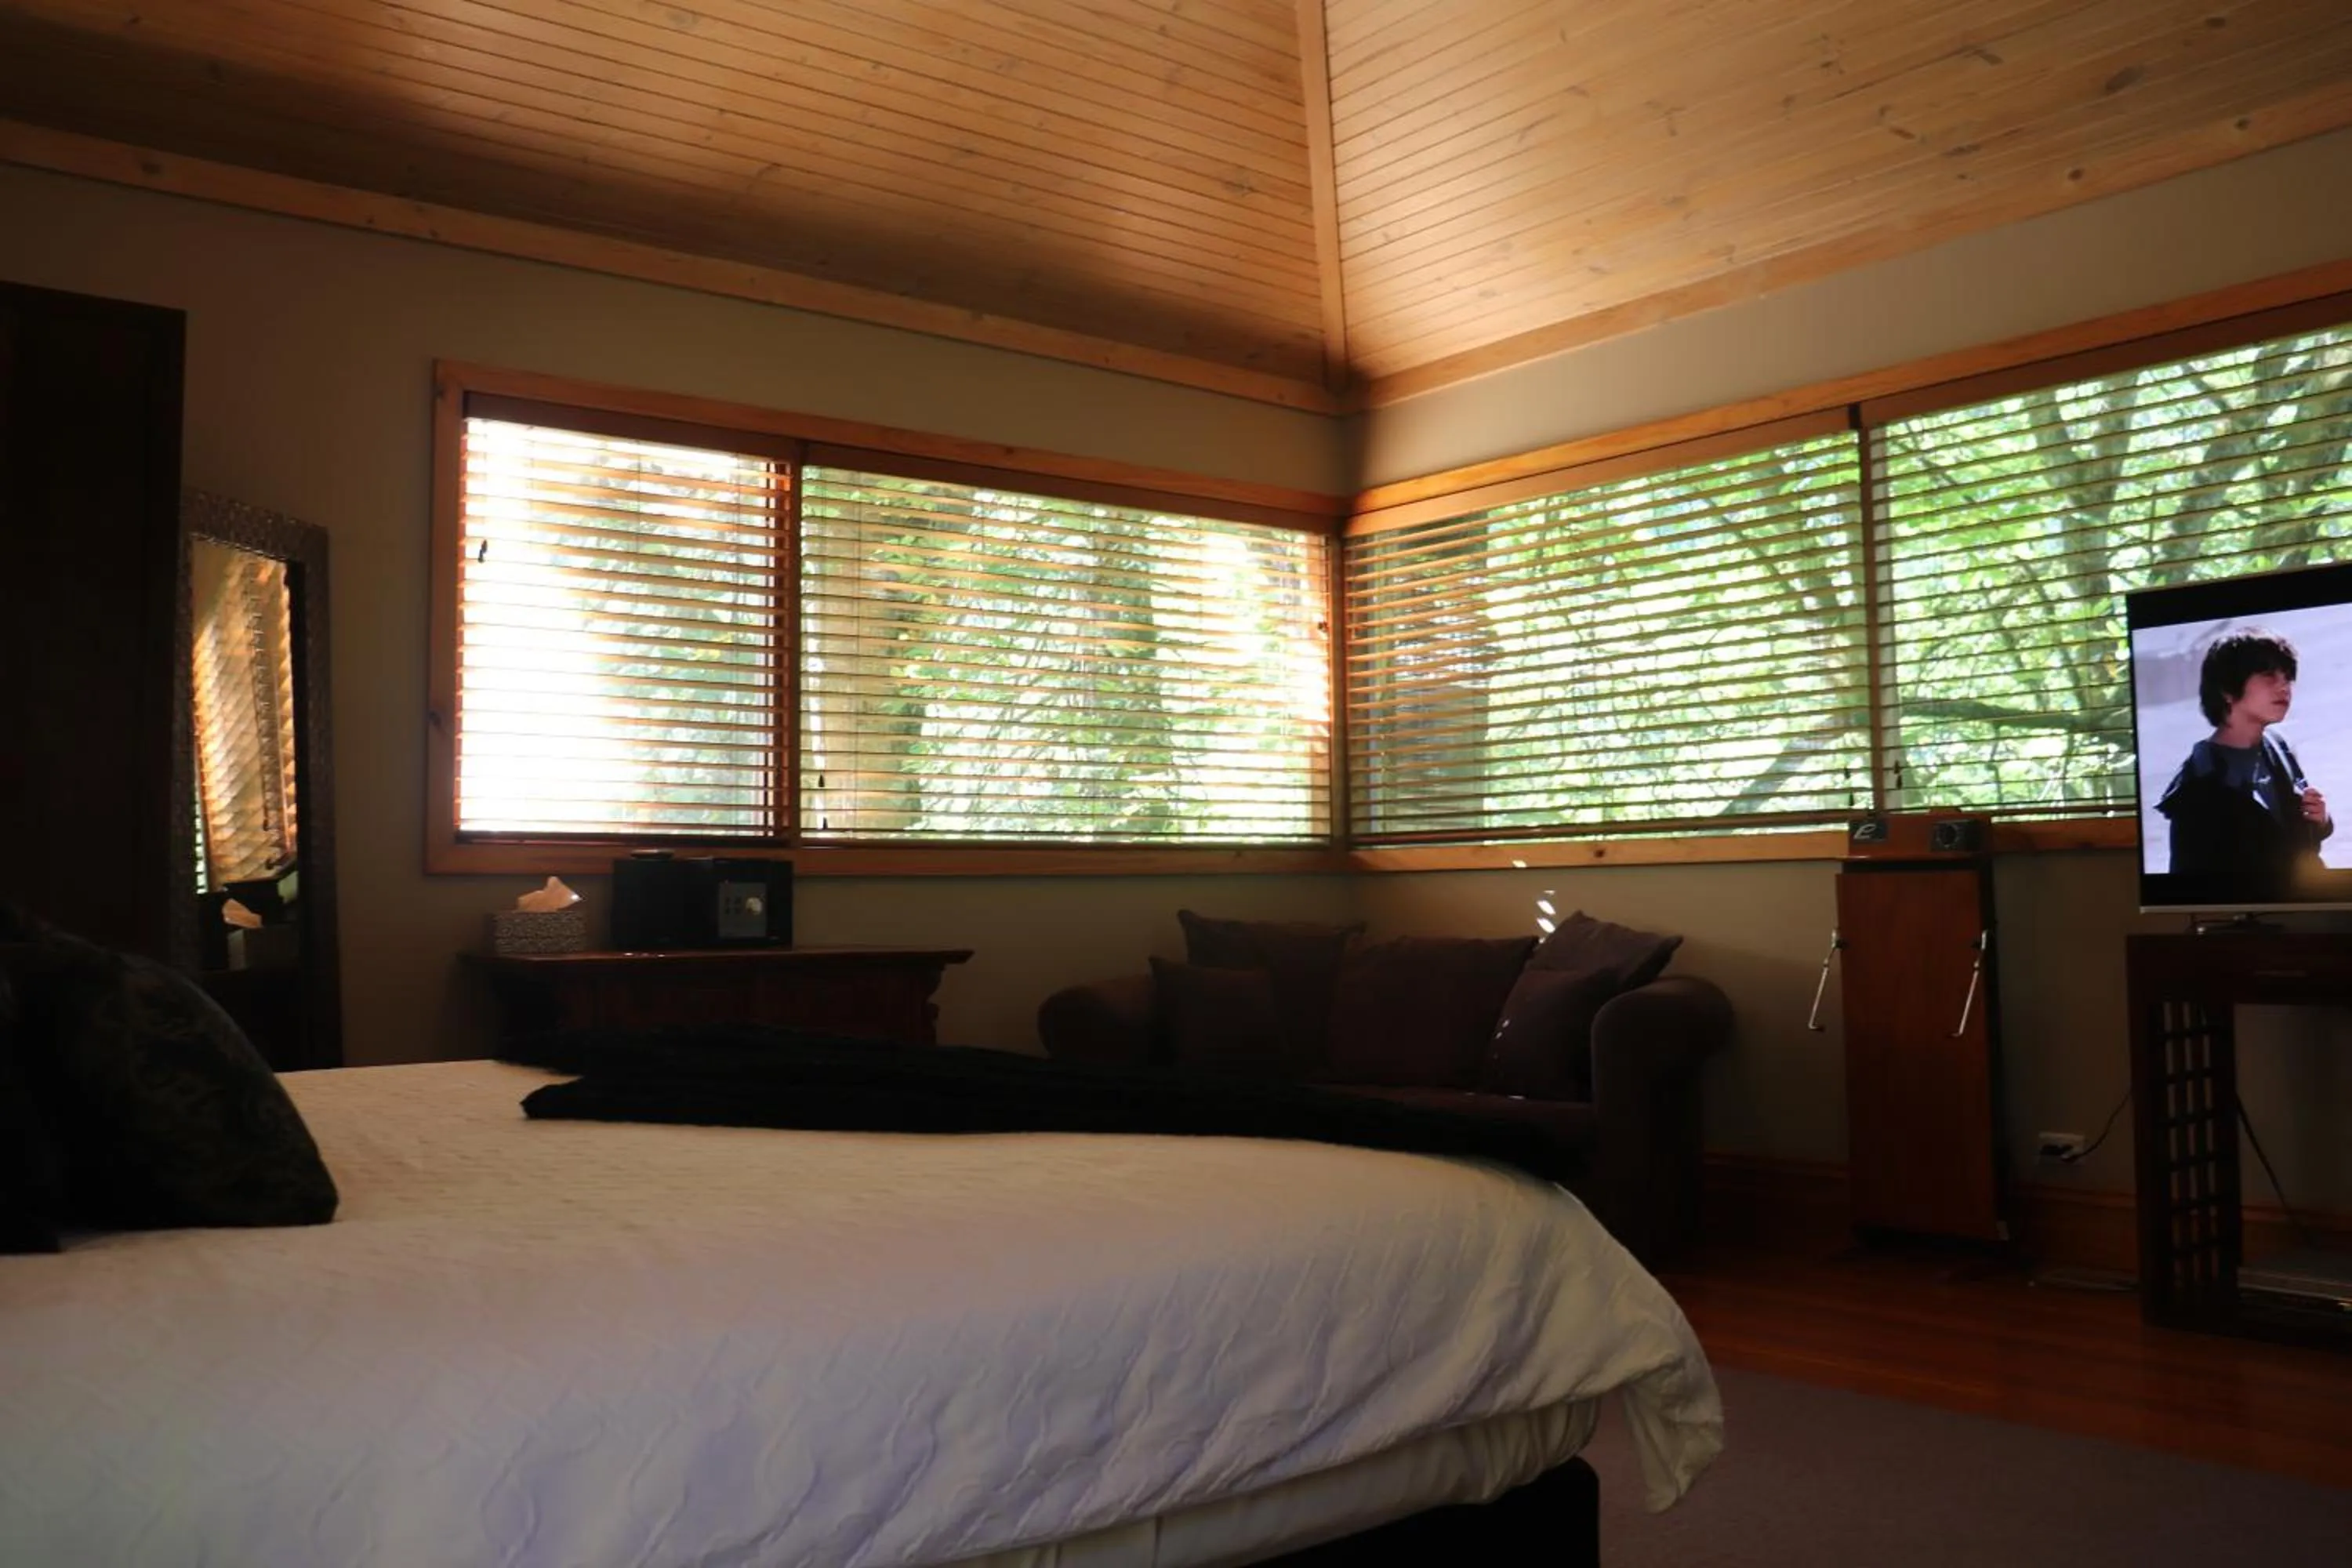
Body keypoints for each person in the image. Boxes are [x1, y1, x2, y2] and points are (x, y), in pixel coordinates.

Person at [2155, 629, 2332, 892]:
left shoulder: (2277, 745)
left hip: (2310, 901)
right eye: (2269, 675)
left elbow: (2295, 837)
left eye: (2287, 677)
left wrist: (2321, 819)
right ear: (2228, 689)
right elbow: (2190, 884)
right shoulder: (2199, 781)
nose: (2284, 687)